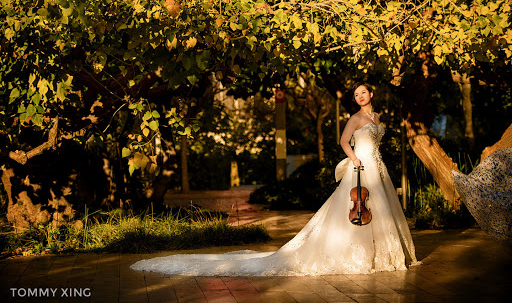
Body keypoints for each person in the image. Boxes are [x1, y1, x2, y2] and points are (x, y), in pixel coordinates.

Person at [131, 82, 420, 276]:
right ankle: (360, 256)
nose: (360, 97)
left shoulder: (378, 117)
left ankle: (386, 257)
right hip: (361, 166)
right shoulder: (355, 119)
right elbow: (344, 141)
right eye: (356, 94)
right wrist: (354, 158)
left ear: (371, 94)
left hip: (378, 167)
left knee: (381, 210)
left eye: (363, 93)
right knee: (353, 210)